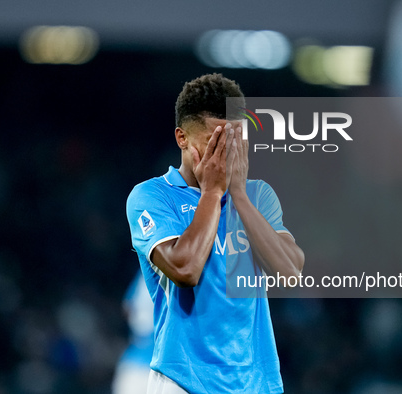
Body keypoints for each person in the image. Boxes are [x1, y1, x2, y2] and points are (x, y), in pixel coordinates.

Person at [126, 73, 304, 393]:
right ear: (182, 138)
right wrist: (212, 192)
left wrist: (239, 196)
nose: (225, 154)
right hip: (183, 382)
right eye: (215, 142)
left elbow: (290, 272)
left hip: (256, 384)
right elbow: (185, 268)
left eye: (233, 141)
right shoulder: (152, 197)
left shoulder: (258, 196)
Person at [112, 271, 155, 394]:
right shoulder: (181, 270)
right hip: (162, 367)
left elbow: (127, 307)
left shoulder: (145, 270)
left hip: (132, 363)